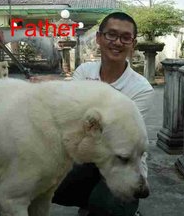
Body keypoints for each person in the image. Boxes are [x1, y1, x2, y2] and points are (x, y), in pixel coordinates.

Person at [52, 11, 154, 216]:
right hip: (89, 159)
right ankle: (88, 199)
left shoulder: (142, 89)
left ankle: (114, 205)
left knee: (109, 207)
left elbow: (119, 140)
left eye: (125, 37)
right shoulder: (84, 72)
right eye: (111, 35)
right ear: (99, 38)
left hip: (122, 164)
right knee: (46, 180)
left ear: (133, 44)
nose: (117, 42)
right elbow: (71, 122)